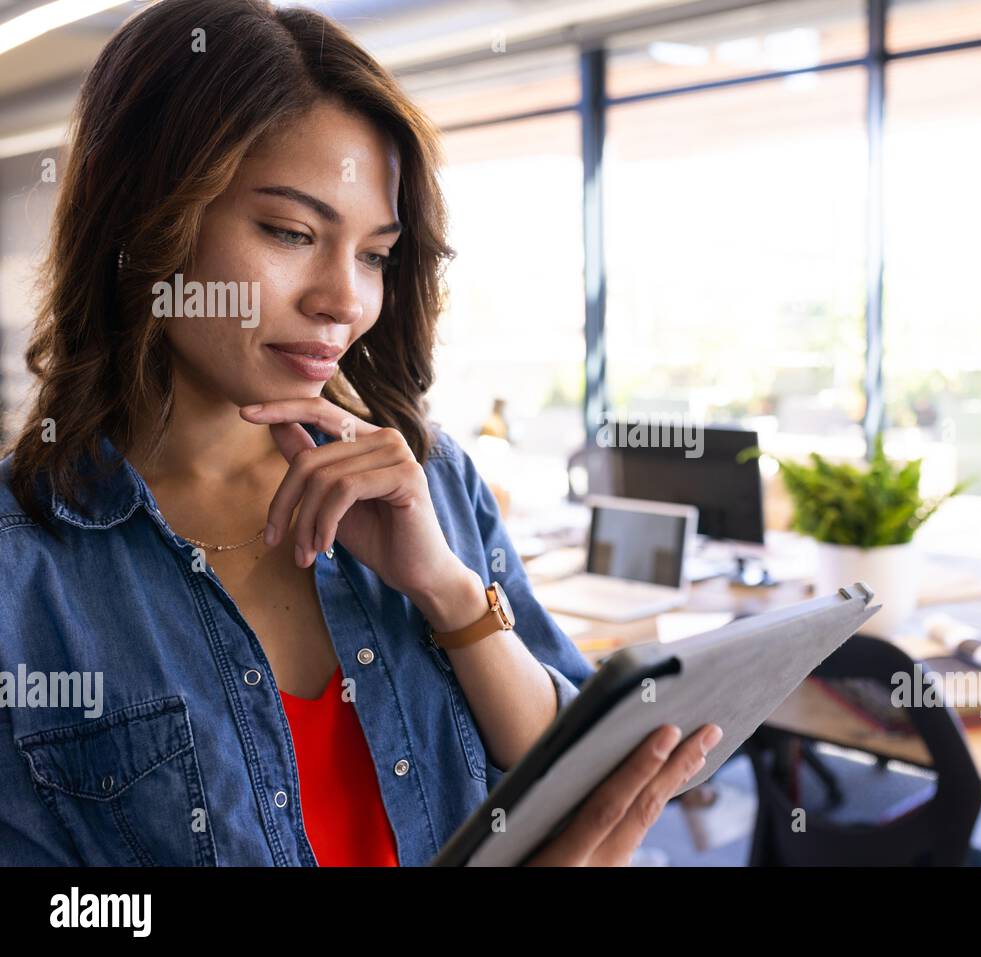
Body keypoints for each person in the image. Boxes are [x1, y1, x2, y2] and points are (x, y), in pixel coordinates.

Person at [0, 0, 720, 866]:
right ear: (143, 220)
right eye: (291, 232)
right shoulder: (24, 568)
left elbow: (586, 765)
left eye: (375, 253)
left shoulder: (428, 474)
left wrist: (450, 593)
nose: (344, 299)